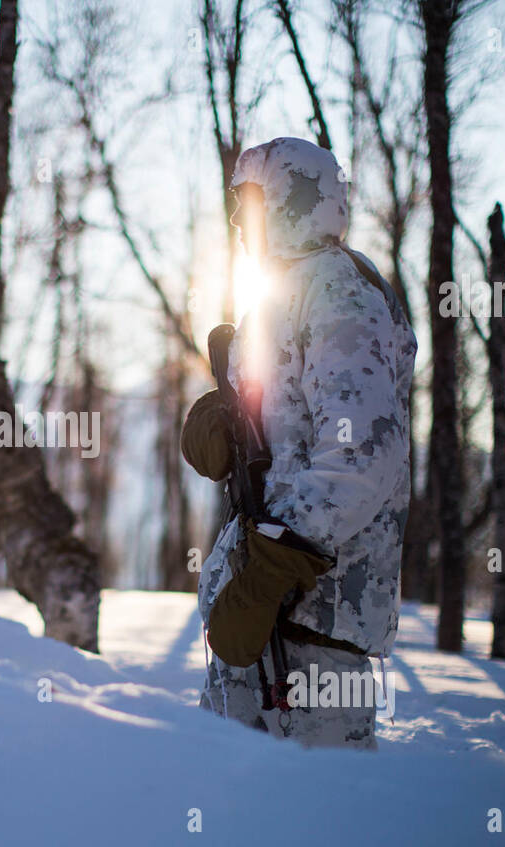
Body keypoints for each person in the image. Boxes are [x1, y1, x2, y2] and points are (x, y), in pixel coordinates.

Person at [180, 137, 417, 750]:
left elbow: (363, 454)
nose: (236, 221)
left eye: (250, 202)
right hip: (267, 629)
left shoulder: (338, 290)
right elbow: (286, 448)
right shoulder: (282, 295)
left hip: (315, 636)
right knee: (239, 834)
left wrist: (270, 568)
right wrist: (230, 419)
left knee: (317, 839)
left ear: (293, 199)